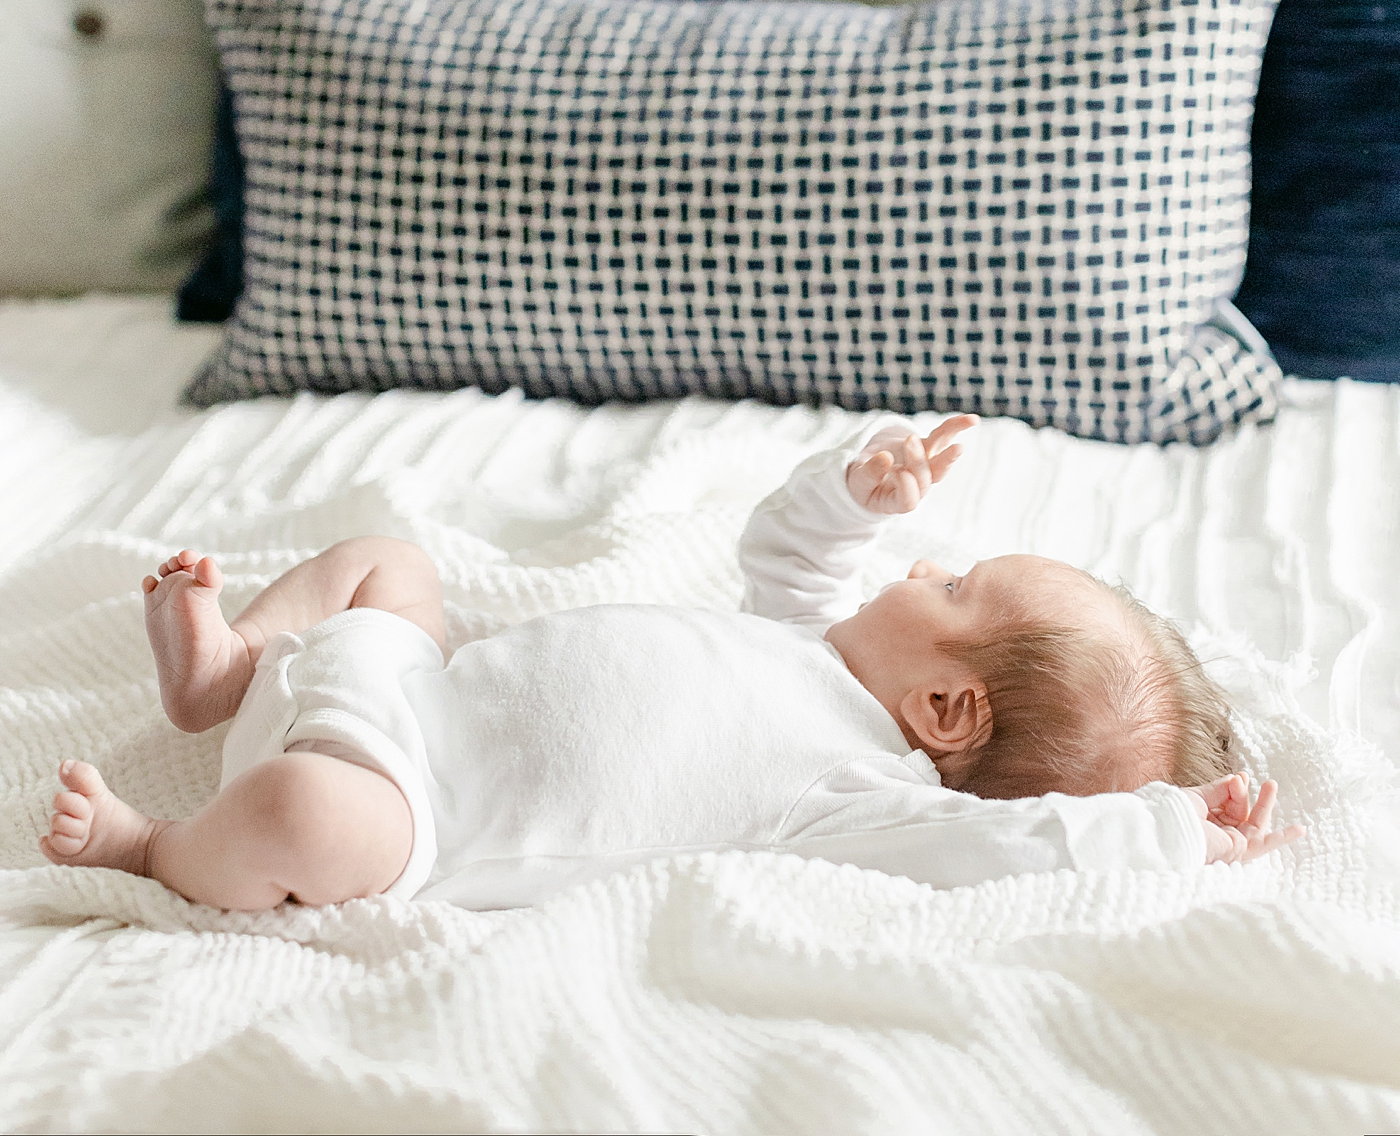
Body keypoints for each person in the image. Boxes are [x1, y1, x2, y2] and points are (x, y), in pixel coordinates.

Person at [40, 414, 1299, 910]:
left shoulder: (862, 804)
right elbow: (790, 547)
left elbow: (1012, 847)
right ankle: (224, 674)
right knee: (385, 556)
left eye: (954, 590)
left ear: (948, 709)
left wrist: (1169, 833)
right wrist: (855, 493)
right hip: (400, 686)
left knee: (291, 812)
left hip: (408, 813)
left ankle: (153, 847)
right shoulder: (803, 641)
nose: (919, 568)